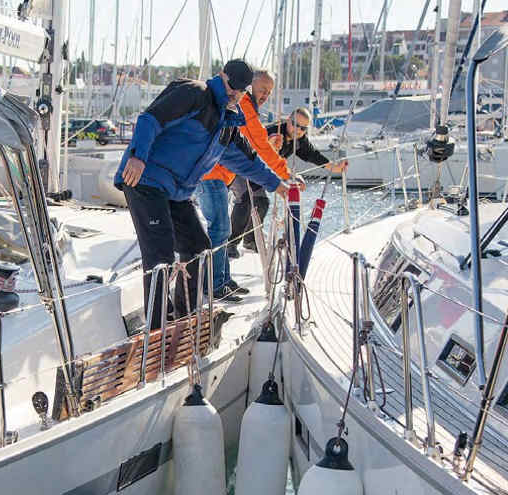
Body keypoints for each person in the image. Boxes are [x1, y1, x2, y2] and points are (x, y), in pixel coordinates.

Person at [115, 59, 290, 329]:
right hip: (144, 180)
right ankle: (158, 327)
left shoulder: (228, 124)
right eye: (232, 87)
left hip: (176, 193)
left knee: (198, 247)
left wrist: (278, 184)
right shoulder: (193, 93)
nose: (235, 94)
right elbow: (150, 119)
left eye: (241, 91)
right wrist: (137, 157)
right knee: (160, 256)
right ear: (221, 76)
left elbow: (249, 161)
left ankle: (184, 319)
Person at [196, 69, 292, 303]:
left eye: (269, 92)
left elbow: (251, 146)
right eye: (262, 90)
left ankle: (224, 279)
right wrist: (284, 176)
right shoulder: (245, 108)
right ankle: (215, 284)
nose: (266, 96)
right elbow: (258, 147)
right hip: (211, 175)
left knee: (223, 229)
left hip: (218, 176)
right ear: (249, 88)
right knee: (219, 229)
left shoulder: (247, 108)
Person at [228, 107, 348, 256]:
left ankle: (250, 241)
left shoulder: (300, 141)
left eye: (303, 128)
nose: (298, 130)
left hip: (260, 173)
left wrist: (335, 168)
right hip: (242, 165)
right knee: (245, 199)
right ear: (288, 121)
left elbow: (314, 156)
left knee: (262, 202)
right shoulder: (273, 132)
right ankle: (230, 244)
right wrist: (272, 148)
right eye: (295, 124)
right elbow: (255, 152)